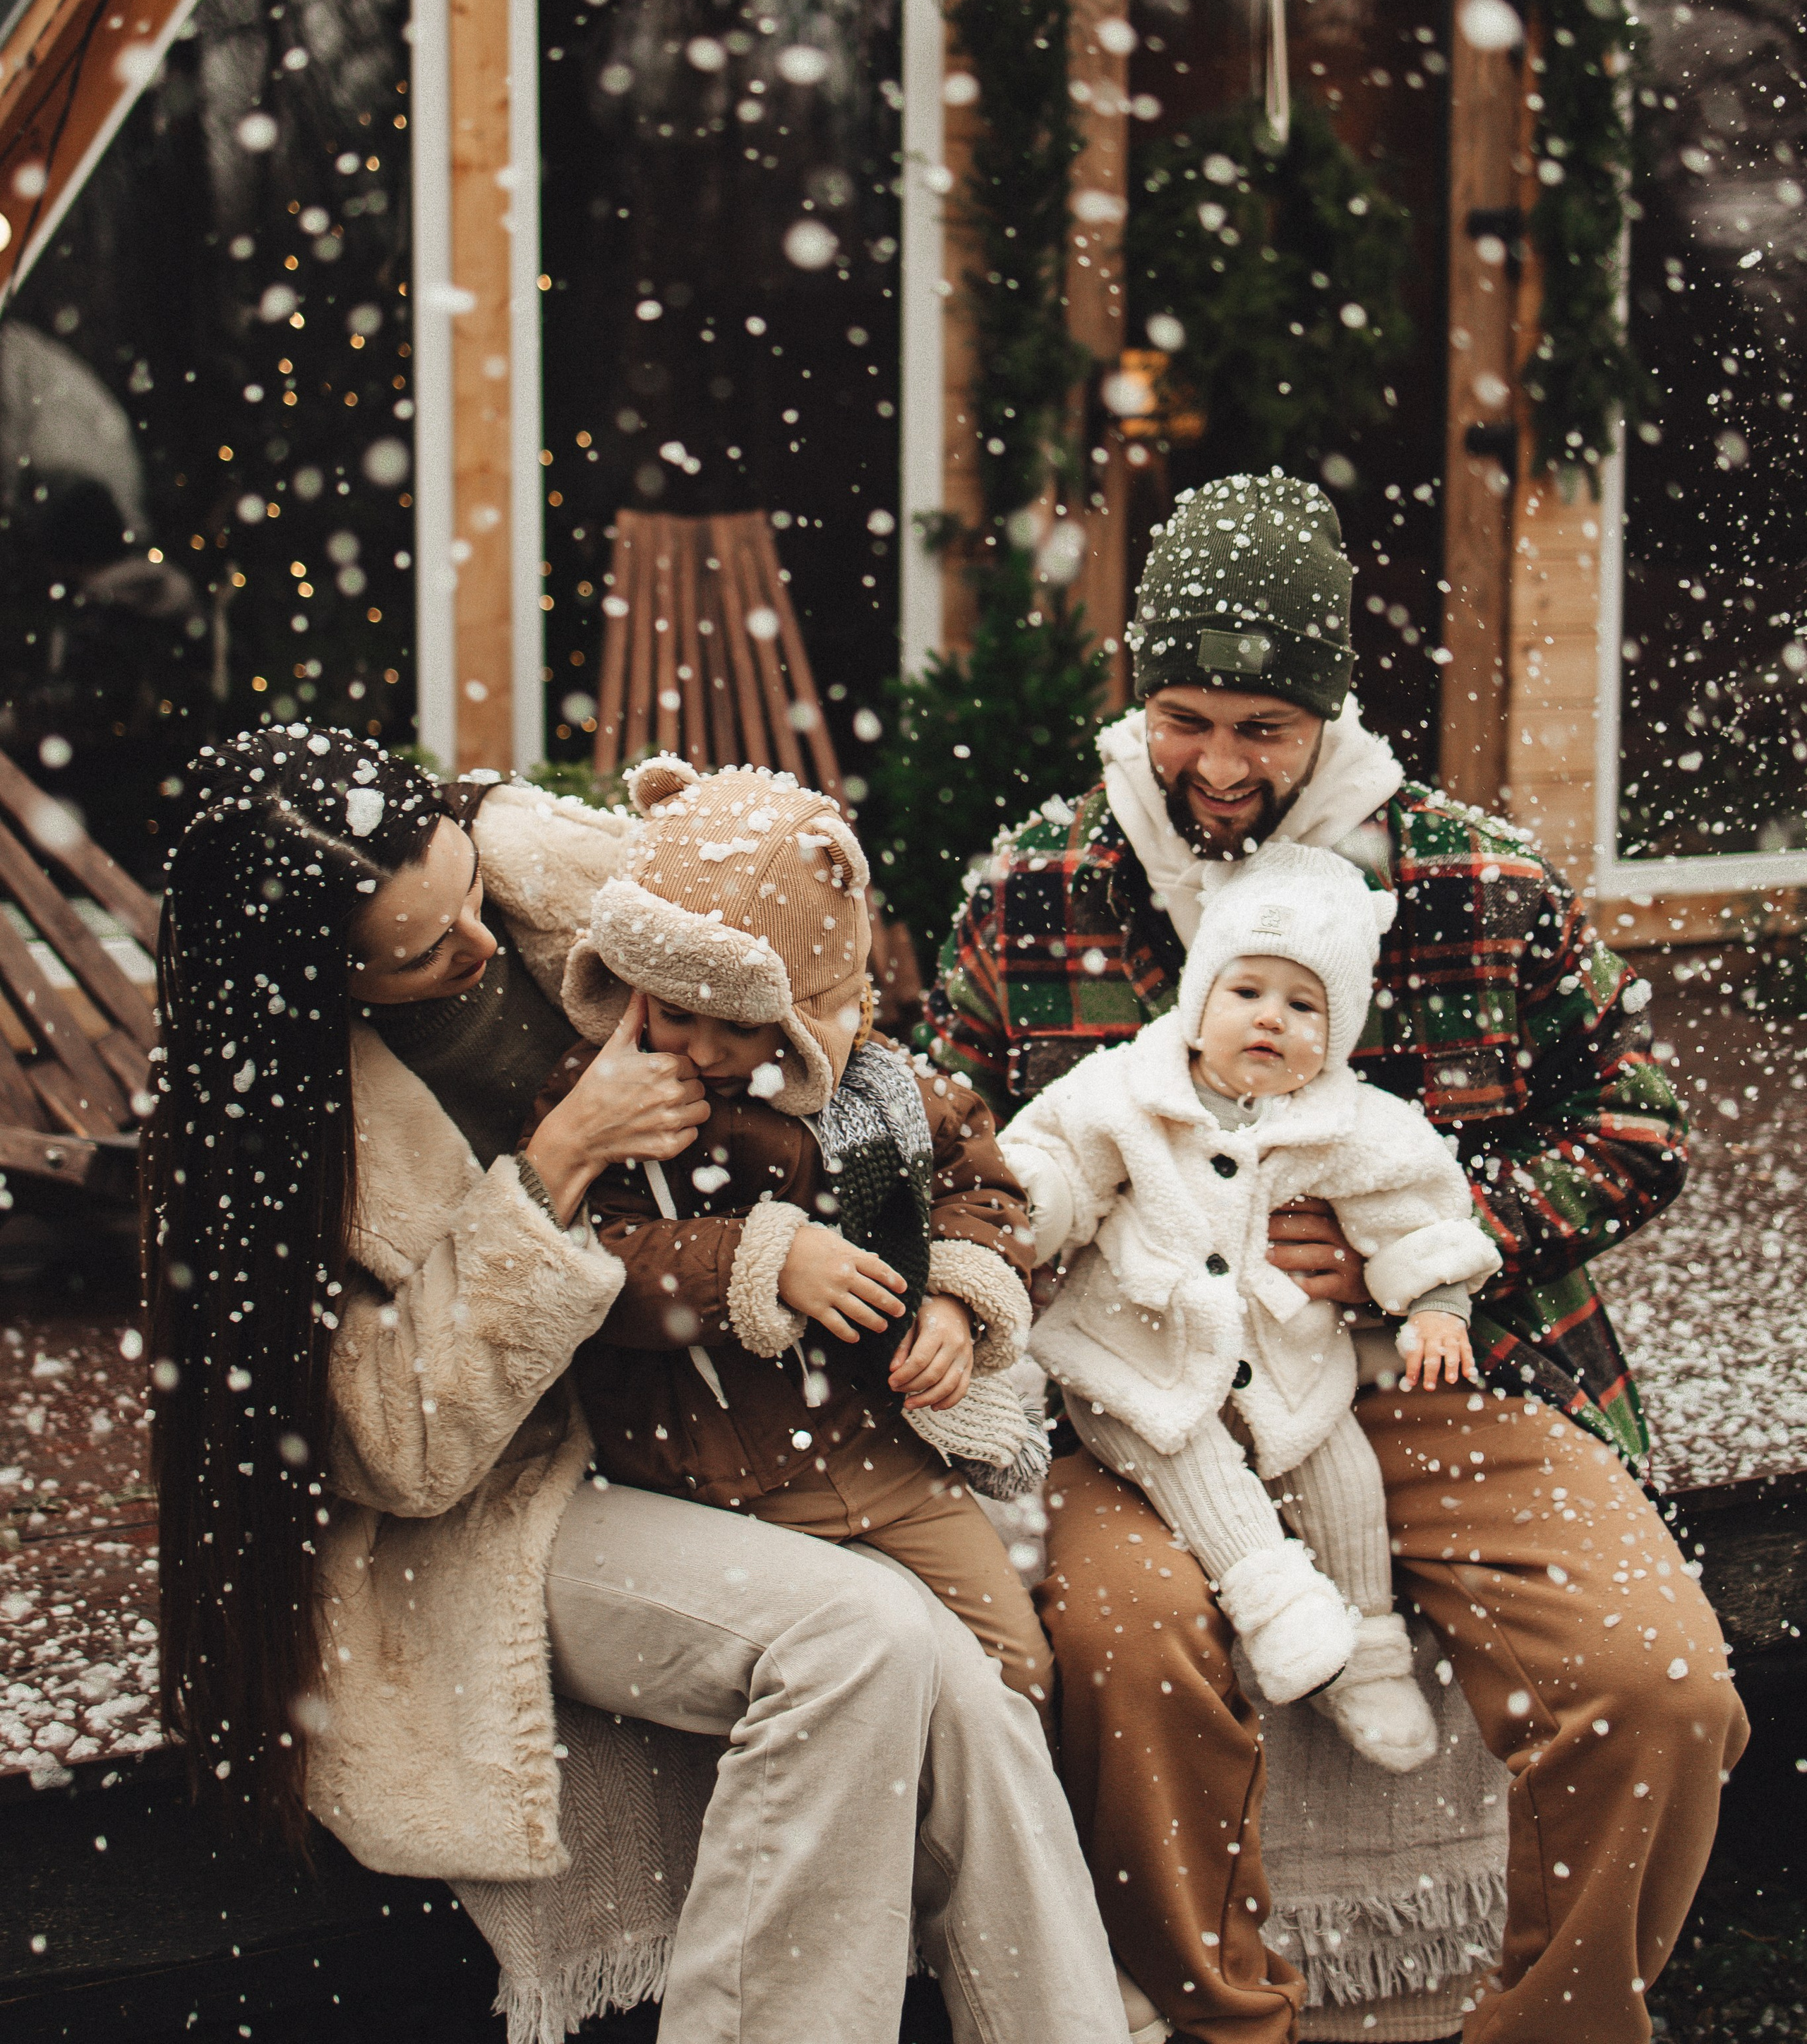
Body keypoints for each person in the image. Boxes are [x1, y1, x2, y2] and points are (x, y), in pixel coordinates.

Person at [142, 724, 1126, 2044]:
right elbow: (397, 1451)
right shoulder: (283, 1137)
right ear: (315, 986)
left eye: (467, 898)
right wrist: (553, 1167)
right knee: (860, 1641)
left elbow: (805, 967)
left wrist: (938, 1268)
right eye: (426, 954)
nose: (481, 954)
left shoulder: (560, 886)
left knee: (980, 1700)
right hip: (509, 1503)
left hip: (711, 1426)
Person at [930, 470, 1747, 2044]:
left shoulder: (1481, 885)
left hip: (1439, 1375)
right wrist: (1021, 1240)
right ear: (1135, 698)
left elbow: (1640, 1125)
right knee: (1120, 1651)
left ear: (1330, 718)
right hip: (1144, 1406)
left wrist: (1446, 1242)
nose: (1217, 767)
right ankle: (1219, 2023)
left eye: (1263, 727)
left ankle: (1555, 2026)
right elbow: (952, 1145)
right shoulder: (1031, 892)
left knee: (1654, 1686)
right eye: (1184, 718)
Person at [541, 755, 1055, 1707]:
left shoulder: (887, 1089)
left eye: (729, 1024)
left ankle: (959, 1849)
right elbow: (580, 1262)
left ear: (808, 1010)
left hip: (885, 1447)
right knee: (866, 1686)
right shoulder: (605, 1101)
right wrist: (756, 1259)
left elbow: (983, 1190)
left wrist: (954, 1298)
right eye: (669, 1010)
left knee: (1013, 1672)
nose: (692, 1047)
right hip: (709, 1473)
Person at [1001, 839, 1498, 1772]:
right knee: (1188, 1458)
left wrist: (1437, 1301)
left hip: (1284, 1355)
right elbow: (1059, 1155)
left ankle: (1371, 1650)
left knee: (1340, 1472)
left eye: (1303, 1004)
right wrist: (1035, 1201)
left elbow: (1417, 1209)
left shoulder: (1352, 1121)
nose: (1270, 1019)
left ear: (1337, 1030)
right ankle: (1272, 1600)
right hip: (1135, 1351)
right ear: (1198, 1001)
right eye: (1246, 992)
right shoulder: (1127, 1089)